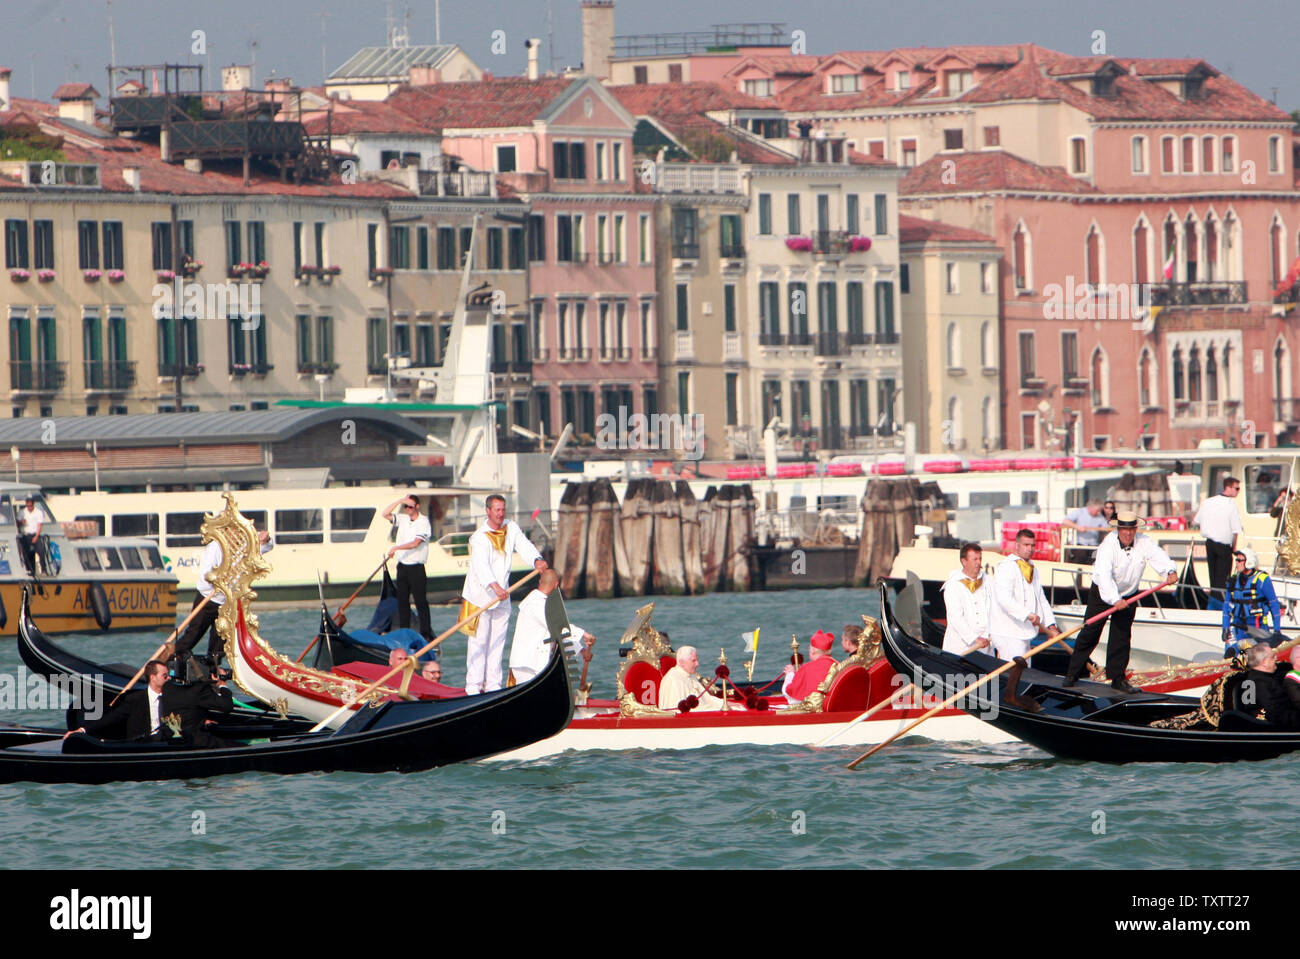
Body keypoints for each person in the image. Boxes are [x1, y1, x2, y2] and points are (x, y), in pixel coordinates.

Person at [1063, 511, 1178, 693]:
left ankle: (1117, 678)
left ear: (1135, 529)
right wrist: (1115, 599)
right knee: (1090, 633)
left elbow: (1157, 555)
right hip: (1103, 592)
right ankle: (1072, 674)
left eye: (1131, 529)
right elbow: (1104, 575)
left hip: (1129, 594)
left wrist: (1169, 571)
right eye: (1124, 529)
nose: (1127, 533)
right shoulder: (1107, 546)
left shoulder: (1143, 541)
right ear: (1118, 529)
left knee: (1122, 636)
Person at [460, 494, 547, 695]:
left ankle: (492, 686)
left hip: (503, 595)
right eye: (497, 510)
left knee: (497, 642)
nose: (500, 514)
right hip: (480, 596)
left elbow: (524, 545)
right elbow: (481, 566)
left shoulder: (511, 527)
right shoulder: (479, 537)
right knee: (479, 643)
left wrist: (536, 560)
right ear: (488, 511)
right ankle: (473, 688)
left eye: (502, 510)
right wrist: (494, 587)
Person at [174, 528, 273, 673]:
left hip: (227, 600)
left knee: (220, 638)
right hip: (208, 597)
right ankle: (175, 658)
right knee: (194, 632)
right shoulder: (214, 547)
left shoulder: (245, 545)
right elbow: (207, 575)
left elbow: (266, 547)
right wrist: (220, 581)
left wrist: (265, 540)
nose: (237, 535)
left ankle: (213, 667)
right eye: (233, 531)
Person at [508, 568, 592, 686]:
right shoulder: (536, 603)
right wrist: (584, 634)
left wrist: (582, 651)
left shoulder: (543, 604)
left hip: (535, 663)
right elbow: (557, 624)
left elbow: (559, 634)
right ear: (556, 585)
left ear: (540, 582)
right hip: (527, 664)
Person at [990, 529, 1060, 662]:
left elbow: (1041, 598)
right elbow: (1004, 599)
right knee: (1015, 673)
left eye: (1032, 545)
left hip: (1024, 631)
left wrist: (1051, 625)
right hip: (1008, 631)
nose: (1030, 549)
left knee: (1025, 672)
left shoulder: (1032, 568)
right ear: (1017, 545)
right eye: (1026, 545)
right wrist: (1028, 614)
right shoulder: (1005, 567)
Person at [64, 660, 169, 742]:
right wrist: (82, 730)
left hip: (167, 743)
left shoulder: (172, 697)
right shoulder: (134, 699)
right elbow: (111, 719)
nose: (169, 678)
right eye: (165, 676)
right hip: (143, 745)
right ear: (153, 677)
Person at [382, 494, 433, 642]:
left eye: (410, 506)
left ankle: (426, 633)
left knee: (420, 601)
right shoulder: (403, 519)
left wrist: (396, 548)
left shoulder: (423, 522)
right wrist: (399, 501)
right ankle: (404, 631)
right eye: (406, 506)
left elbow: (416, 543)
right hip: (402, 566)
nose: (408, 509)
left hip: (416, 568)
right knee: (402, 601)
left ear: (417, 506)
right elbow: (385, 514)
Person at [159, 656, 235, 747]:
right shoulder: (199, 689)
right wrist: (222, 685)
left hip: (171, 738)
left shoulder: (167, 686)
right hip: (195, 741)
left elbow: (184, 709)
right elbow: (227, 706)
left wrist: (201, 721)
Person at [1222, 547, 1282, 656]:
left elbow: (1274, 604)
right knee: (1231, 656)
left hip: (1257, 625)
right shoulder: (1233, 580)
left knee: (1258, 656)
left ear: (1249, 561)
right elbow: (1226, 606)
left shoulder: (1262, 579)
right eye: (1236, 560)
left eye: (1240, 560)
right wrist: (1225, 628)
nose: (1237, 563)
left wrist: (1277, 630)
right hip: (1238, 626)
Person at [1192, 477, 1242, 593]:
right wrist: (1234, 547)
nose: (1238, 491)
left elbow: (1196, 521)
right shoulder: (1231, 504)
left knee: (1213, 576)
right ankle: (1220, 601)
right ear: (1228, 488)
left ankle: (1214, 598)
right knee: (1223, 577)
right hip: (1223, 545)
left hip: (1210, 543)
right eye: (1237, 488)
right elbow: (1236, 530)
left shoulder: (1208, 502)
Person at [941, 543, 992, 656]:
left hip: (985, 646)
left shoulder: (988, 581)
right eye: (975, 559)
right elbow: (956, 618)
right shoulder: (953, 585)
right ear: (964, 561)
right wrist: (974, 638)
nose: (979, 563)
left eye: (980, 559)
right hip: (961, 648)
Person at [1236, 643, 1300, 728]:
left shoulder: (1258, 677)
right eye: (1273, 657)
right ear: (1264, 662)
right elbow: (1276, 713)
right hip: (1269, 728)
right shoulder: (1259, 683)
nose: (1276, 659)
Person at [659, 645, 730, 711]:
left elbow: (706, 699)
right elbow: (676, 711)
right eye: (693, 661)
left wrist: (724, 703)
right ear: (681, 662)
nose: (697, 664)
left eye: (697, 660)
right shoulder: (673, 680)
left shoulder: (691, 675)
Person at [782, 630, 837, 703]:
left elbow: (790, 695)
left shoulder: (806, 668)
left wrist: (790, 674)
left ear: (813, 651)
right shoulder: (838, 665)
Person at [17, 494, 48, 576]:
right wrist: (21, 523)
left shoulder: (38, 512)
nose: (29, 506)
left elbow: (39, 525)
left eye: (30, 504)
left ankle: (44, 570)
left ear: (33, 504)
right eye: (28, 504)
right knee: (28, 553)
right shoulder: (22, 512)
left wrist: (36, 536)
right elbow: (17, 524)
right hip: (25, 535)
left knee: (41, 552)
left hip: (35, 534)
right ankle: (30, 571)